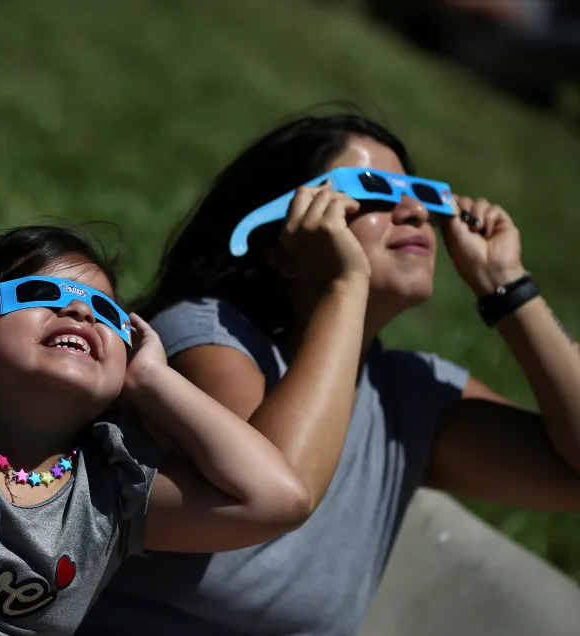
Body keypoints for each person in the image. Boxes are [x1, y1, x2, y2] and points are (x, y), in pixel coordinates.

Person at [80, 112, 580, 635]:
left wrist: (509, 287)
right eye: (372, 190)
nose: (412, 211)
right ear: (285, 244)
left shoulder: (411, 398)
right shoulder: (207, 336)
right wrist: (347, 285)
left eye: (423, 195)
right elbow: (276, 494)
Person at [0, 222, 370, 635]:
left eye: (106, 311)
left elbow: (278, 499)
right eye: (37, 292)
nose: (79, 310)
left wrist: (154, 380)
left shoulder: (112, 495)